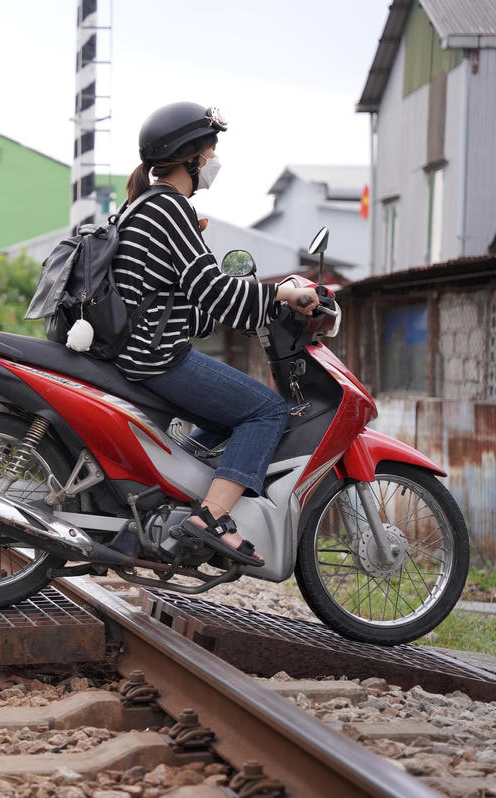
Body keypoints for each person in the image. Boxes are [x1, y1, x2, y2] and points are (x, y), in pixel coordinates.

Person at [111, 101, 319, 567]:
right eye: (210, 149)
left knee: (232, 412)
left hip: (136, 349)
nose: (214, 160)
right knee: (266, 409)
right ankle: (209, 518)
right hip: (154, 355)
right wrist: (281, 294)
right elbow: (216, 292)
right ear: (189, 156)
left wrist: (256, 300)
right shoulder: (169, 209)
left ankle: (178, 484)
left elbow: (187, 301)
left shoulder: (139, 207)